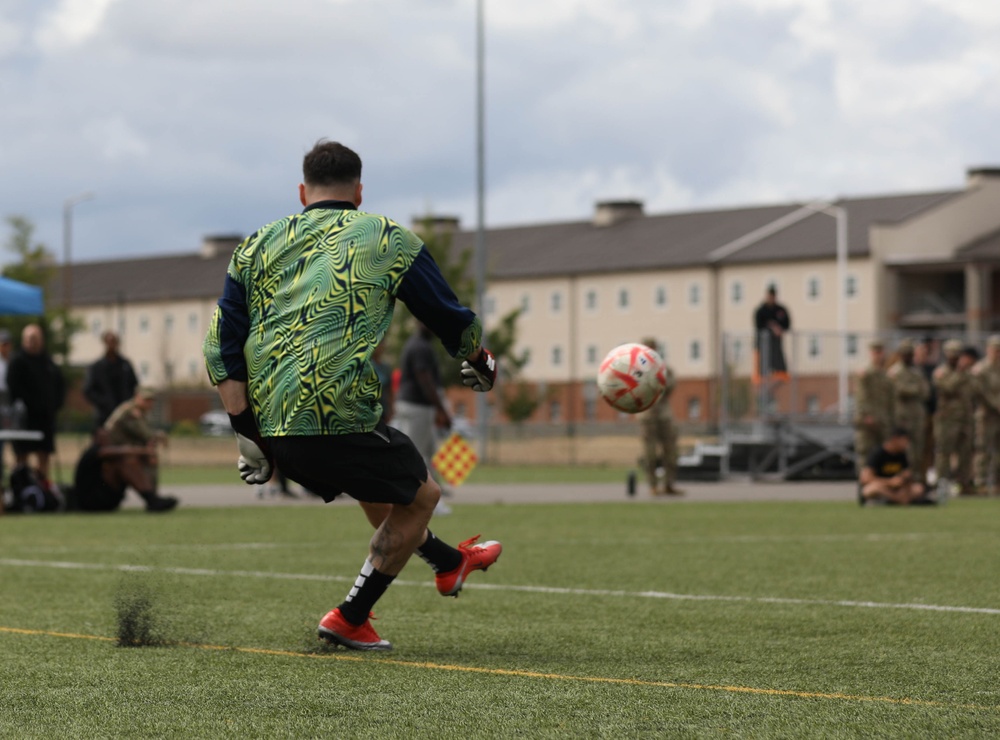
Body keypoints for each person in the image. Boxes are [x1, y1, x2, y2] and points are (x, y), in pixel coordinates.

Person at [202, 139, 501, 652]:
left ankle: (450, 563)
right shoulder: (387, 238)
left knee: (378, 490)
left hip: (272, 426)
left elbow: (219, 345)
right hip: (336, 412)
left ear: (302, 192)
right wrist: (479, 360)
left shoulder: (255, 245)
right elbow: (445, 313)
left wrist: (245, 433)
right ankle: (350, 617)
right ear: (359, 192)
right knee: (424, 495)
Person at [394, 322, 455, 515]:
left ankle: (432, 498)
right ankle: (420, 503)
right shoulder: (420, 347)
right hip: (417, 406)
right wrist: (441, 408)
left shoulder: (418, 344)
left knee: (427, 453)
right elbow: (424, 379)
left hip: (416, 405)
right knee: (417, 457)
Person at [99, 387, 177, 511]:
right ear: (137, 398)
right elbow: (145, 434)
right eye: (146, 400)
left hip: (122, 448)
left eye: (151, 400)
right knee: (149, 458)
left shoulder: (137, 411)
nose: (149, 403)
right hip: (116, 449)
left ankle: (152, 497)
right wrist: (160, 437)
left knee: (149, 455)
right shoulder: (131, 412)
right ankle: (152, 498)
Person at [6, 324, 64, 482]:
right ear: (24, 340)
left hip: (46, 417)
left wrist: (54, 405)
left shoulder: (48, 362)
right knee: (22, 455)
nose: (34, 342)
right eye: (30, 338)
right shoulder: (17, 362)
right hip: (25, 418)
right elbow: (14, 389)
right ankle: (21, 488)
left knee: (44, 454)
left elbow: (59, 386)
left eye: (36, 338)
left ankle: (42, 489)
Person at [638, 338, 681, 496]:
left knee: (671, 450)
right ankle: (653, 485)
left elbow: (669, 385)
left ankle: (669, 484)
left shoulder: (663, 369)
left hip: (664, 414)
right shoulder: (636, 370)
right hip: (647, 414)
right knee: (650, 453)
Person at [933, 339, 975, 495]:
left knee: (965, 453)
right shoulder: (941, 372)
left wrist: (965, 373)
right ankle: (942, 485)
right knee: (944, 453)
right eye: (952, 355)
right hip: (947, 420)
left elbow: (974, 389)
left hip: (965, 418)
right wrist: (959, 373)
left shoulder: (966, 373)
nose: (955, 358)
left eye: (957, 355)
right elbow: (948, 387)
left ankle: (965, 485)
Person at [858, 428, 939, 505]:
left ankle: (891, 501)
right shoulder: (877, 454)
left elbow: (906, 473)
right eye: (904, 441)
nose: (906, 444)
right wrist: (890, 482)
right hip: (882, 485)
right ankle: (897, 500)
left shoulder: (901, 454)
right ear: (895, 439)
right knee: (872, 489)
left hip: (896, 488)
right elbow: (866, 478)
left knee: (918, 488)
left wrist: (904, 478)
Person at [887, 338, 930, 481]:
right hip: (902, 417)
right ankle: (903, 479)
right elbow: (899, 391)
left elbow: (926, 392)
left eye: (910, 354)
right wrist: (914, 389)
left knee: (918, 450)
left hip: (917, 416)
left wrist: (913, 389)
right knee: (904, 451)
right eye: (905, 354)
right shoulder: (895, 372)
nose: (908, 357)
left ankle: (917, 480)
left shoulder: (916, 371)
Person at [83, 331, 139, 429]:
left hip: (124, 414)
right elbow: (88, 390)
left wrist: (129, 404)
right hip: (104, 415)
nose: (111, 345)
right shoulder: (97, 367)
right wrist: (103, 402)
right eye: (109, 342)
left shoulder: (125, 365)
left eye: (114, 341)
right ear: (104, 343)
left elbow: (134, 386)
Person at [853, 339, 894, 472]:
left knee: (883, 454)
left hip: (882, 420)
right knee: (866, 454)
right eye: (875, 352)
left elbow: (889, 399)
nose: (878, 355)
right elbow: (861, 397)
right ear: (871, 353)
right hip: (868, 421)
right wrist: (866, 415)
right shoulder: (865, 372)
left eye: (880, 352)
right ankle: (865, 487)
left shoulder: (885, 374)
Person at [973, 335, 1000, 496]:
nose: (998, 353)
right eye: (996, 350)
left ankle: (997, 482)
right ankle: (981, 483)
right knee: (983, 449)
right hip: (986, 415)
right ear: (988, 350)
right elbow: (981, 393)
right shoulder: (981, 369)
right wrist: (997, 406)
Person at [753, 285, 791, 386]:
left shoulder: (780, 310)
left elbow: (787, 325)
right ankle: (765, 391)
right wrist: (771, 327)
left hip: (776, 347)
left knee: (780, 371)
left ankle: (772, 390)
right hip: (762, 347)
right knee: (763, 371)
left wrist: (779, 329)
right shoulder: (761, 311)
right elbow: (759, 326)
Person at [913, 337, 938, 481]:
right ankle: (915, 478)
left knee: (929, 449)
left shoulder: (931, 370)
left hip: (930, 415)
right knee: (916, 449)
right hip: (915, 416)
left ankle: (925, 478)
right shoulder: (912, 371)